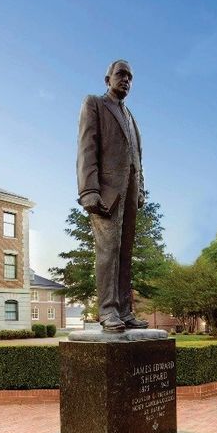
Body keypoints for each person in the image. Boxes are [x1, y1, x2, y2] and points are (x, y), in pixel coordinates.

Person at [76, 59, 149, 332]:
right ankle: (107, 310)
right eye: (121, 74)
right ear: (107, 79)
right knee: (108, 251)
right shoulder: (94, 103)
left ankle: (125, 310)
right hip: (105, 192)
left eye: (130, 76)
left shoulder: (132, 118)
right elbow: (87, 147)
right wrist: (89, 190)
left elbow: (138, 160)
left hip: (130, 194)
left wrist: (140, 190)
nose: (126, 80)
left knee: (125, 253)